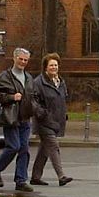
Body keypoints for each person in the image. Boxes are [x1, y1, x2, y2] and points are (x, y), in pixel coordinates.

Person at [0, 47, 36, 192]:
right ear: (14, 58)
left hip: (25, 118)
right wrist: (11, 97)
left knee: (24, 149)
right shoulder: (5, 77)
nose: (23, 62)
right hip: (10, 117)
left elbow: (32, 96)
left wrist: (34, 108)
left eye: (25, 60)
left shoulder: (29, 78)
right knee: (14, 147)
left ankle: (21, 180)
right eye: (20, 59)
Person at [30, 53, 73, 187]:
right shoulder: (38, 83)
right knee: (54, 146)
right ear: (45, 67)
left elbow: (62, 100)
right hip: (44, 122)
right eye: (51, 65)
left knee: (44, 150)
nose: (54, 67)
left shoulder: (60, 82)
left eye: (56, 65)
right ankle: (61, 176)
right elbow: (33, 101)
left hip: (56, 121)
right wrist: (42, 113)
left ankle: (35, 177)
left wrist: (64, 115)